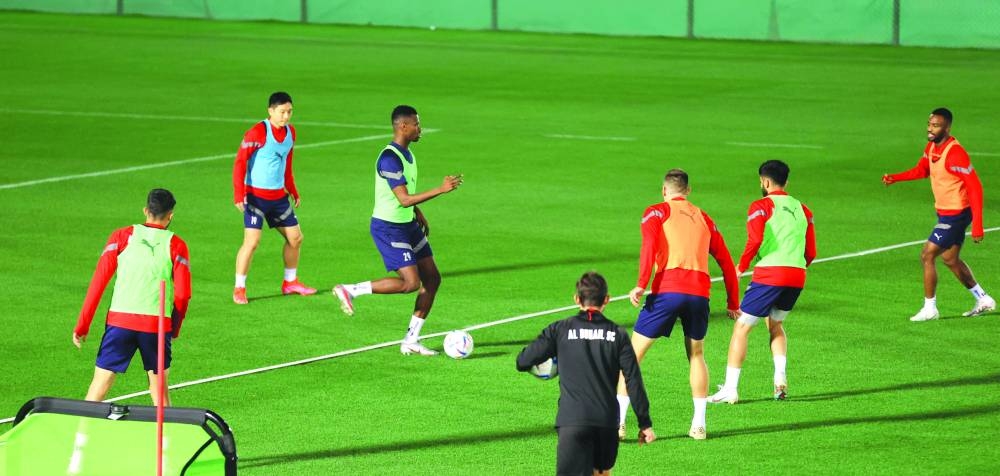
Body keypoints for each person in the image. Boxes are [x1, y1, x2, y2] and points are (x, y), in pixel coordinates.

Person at [615, 169, 740, 441]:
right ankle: (699, 426)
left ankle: (619, 424)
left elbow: (649, 246)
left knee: (631, 357)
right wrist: (733, 302)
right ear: (688, 191)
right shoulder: (705, 218)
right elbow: (727, 263)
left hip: (667, 290)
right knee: (696, 355)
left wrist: (641, 283)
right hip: (699, 294)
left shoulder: (656, 212)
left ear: (664, 190)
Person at [333, 105, 462, 356]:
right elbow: (403, 199)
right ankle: (350, 290)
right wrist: (440, 189)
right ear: (403, 126)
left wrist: (417, 212)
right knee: (411, 283)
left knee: (432, 279)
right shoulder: (389, 159)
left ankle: (411, 340)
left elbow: (404, 195)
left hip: (407, 224)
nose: (420, 128)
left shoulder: (408, 154)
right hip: (388, 228)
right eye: (416, 124)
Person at [517, 272, 656, 476]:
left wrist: (552, 362)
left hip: (572, 421)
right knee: (601, 473)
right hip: (606, 422)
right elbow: (633, 379)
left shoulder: (560, 330)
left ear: (577, 299)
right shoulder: (618, 334)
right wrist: (645, 423)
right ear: (606, 299)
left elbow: (523, 361)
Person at [710, 160, 816, 404]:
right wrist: (795, 268)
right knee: (775, 324)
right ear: (786, 181)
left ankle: (730, 389)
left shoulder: (761, 206)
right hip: (797, 275)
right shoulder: (804, 209)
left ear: (766, 182)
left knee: (742, 328)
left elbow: (755, 239)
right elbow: (811, 252)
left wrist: (741, 266)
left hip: (770, 274)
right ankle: (780, 379)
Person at [73, 189, 191, 406]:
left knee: (98, 388)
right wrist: (174, 328)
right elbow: (183, 295)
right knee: (160, 394)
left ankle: (82, 429)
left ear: (146, 211)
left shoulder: (121, 236)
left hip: (120, 322)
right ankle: (165, 431)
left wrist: (83, 325)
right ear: (170, 215)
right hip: (156, 327)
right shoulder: (177, 245)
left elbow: (98, 283)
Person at [882, 107, 994, 321]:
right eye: (929, 124)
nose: (930, 129)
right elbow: (922, 170)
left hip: (957, 213)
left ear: (947, 128)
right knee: (950, 259)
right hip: (945, 212)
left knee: (927, 254)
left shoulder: (955, 154)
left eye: (936, 126)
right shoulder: (932, 147)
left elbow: (975, 188)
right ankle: (983, 298)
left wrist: (978, 225)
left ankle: (930, 308)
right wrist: (896, 178)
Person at [232, 91, 316, 305]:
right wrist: (238, 193)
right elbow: (240, 162)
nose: (286, 116)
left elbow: (287, 163)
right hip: (256, 198)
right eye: (282, 112)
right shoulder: (258, 132)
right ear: (270, 111)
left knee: (295, 238)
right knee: (252, 242)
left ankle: (290, 283)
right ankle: (239, 288)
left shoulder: (290, 133)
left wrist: (293, 189)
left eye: (289, 112)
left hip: (278, 198)